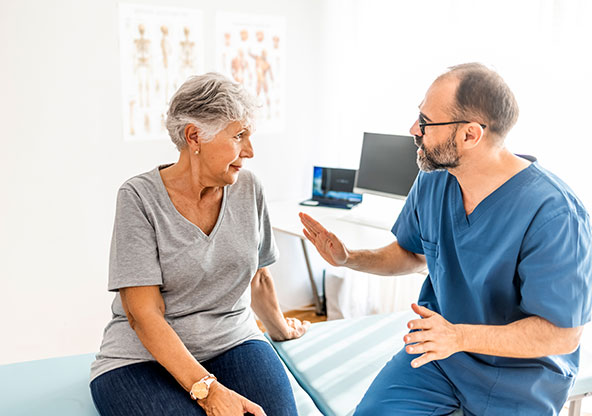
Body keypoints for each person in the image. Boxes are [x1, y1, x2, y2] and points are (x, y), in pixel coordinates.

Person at [300, 63, 592, 415]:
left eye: (425, 122)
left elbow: (561, 335)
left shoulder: (555, 215)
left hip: (521, 377)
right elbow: (412, 254)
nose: (413, 130)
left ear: (470, 135)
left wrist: (458, 337)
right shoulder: (434, 178)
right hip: (441, 359)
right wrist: (350, 258)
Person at [90, 72, 309, 416]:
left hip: (231, 339)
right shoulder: (138, 198)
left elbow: (259, 277)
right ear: (194, 136)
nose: (250, 151)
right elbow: (143, 315)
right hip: (141, 358)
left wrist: (281, 330)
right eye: (239, 136)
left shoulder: (249, 188)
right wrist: (208, 390)